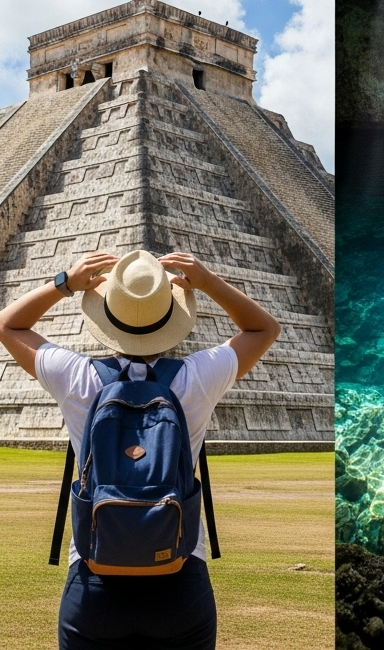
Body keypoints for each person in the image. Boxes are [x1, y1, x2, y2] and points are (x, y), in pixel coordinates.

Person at [0, 248, 281, 650]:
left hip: (94, 579)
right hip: (180, 576)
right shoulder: (197, 376)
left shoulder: (76, 376)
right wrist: (207, 282)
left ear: (107, 315)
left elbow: (8, 325)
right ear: (170, 316)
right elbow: (264, 329)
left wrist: (65, 283)